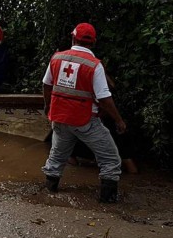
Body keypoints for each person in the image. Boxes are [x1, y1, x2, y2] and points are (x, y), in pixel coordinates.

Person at [41, 23, 127, 203]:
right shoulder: (94, 65)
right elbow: (104, 98)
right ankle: (108, 205)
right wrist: (118, 120)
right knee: (111, 160)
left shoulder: (57, 58)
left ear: (73, 38)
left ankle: (48, 194)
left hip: (59, 118)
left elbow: (47, 84)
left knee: (57, 157)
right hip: (85, 121)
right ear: (93, 42)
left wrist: (48, 106)